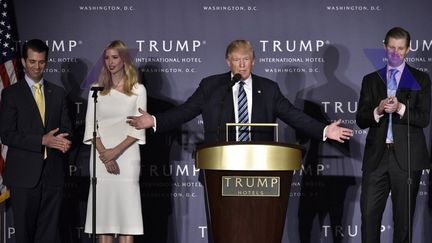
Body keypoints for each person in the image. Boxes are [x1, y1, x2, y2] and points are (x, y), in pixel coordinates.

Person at [127, 39, 353, 144]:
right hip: (219, 163)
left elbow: (294, 116)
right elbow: (185, 111)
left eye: (246, 60)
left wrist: (324, 130)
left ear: (254, 61)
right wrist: (154, 120)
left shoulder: (269, 89)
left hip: (260, 166)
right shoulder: (212, 86)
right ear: (228, 62)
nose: (242, 65)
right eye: (236, 60)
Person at [356, 27, 431, 243]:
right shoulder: (371, 79)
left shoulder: (420, 79)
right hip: (376, 159)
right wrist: (378, 110)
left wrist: (400, 108)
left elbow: (423, 118)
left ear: (407, 50)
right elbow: (361, 119)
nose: (395, 53)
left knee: (403, 222)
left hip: (407, 159)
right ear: (384, 46)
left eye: (400, 49)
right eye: (391, 48)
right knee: (369, 217)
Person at [0, 39, 72, 243]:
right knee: (24, 235)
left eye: (41, 62)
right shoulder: (11, 94)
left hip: (53, 175)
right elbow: (7, 134)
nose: (36, 66)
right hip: (24, 177)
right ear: (23, 62)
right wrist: (42, 140)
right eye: (32, 61)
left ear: (46, 62)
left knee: (48, 235)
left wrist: (64, 140)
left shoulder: (58, 93)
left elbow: (66, 128)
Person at [83, 40, 146, 243]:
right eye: (107, 57)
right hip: (101, 160)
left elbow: (138, 127)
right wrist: (105, 155)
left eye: (115, 57)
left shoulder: (138, 89)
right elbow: (91, 126)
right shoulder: (95, 89)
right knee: (104, 219)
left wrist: (114, 152)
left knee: (127, 218)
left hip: (127, 159)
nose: (110, 62)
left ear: (124, 59)